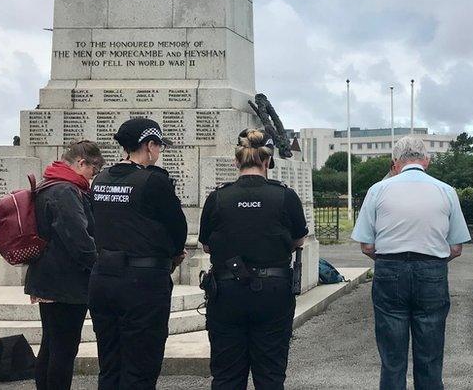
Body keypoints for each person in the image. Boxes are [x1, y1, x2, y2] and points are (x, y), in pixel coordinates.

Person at [351, 136, 471, 390]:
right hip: (432, 270)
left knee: (392, 358)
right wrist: (434, 258)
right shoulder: (446, 190)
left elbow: (367, 245)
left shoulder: (378, 190)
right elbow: (457, 247)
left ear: (395, 162)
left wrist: (388, 258)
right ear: (426, 160)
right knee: (430, 355)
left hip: (389, 268)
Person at [199, 129, 309, 389]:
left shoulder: (218, 197)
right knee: (270, 374)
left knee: (226, 376)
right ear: (267, 161)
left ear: (236, 161)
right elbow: (299, 240)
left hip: (226, 293)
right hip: (273, 292)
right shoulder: (285, 195)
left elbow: (205, 245)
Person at [88, 118, 187, 390]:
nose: (159, 152)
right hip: (142, 282)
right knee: (140, 367)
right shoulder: (153, 182)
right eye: (158, 146)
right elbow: (178, 227)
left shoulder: (101, 179)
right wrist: (174, 254)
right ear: (149, 145)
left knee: (110, 364)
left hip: (104, 277)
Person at [24, 141, 104, 390]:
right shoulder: (66, 191)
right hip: (66, 284)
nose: (93, 177)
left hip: (49, 279)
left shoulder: (50, 184)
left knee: (51, 346)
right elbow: (78, 240)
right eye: (94, 170)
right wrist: (100, 267)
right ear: (81, 163)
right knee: (63, 350)